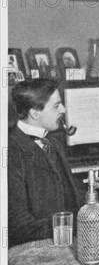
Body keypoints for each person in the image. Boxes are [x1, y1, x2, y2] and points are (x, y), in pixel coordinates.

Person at [8, 79, 85, 247]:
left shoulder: (53, 142)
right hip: (35, 247)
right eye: (56, 106)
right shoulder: (10, 150)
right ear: (35, 112)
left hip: (64, 239)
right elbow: (18, 225)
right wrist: (76, 226)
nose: (63, 110)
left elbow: (74, 196)